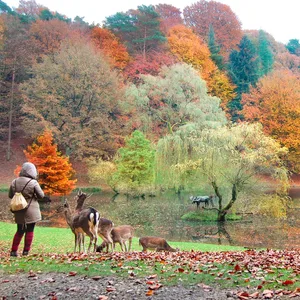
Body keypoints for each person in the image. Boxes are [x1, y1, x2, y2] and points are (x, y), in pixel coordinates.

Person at [8, 162, 49, 257]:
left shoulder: (14, 181)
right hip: (31, 209)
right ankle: (26, 252)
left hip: (19, 209)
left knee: (19, 230)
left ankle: (13, 251)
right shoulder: (33, 182)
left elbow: (10, 195)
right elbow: (41, 195)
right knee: (30, 230)